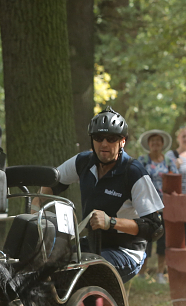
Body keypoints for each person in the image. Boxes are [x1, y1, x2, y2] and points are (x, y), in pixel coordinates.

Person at [39, 107, 164, 283]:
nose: (104, 144)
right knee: (47, 263)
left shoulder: (134, 172)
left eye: (111, 139)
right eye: (98, 138)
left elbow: (155, 228)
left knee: (84, 271)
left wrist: (111, 222)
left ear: (122, 141)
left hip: (126, 252)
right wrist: (37, 210)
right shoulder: (83, 162)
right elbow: (52, 183)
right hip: (92, 244)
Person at [137, 129, 178, 284]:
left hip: (165, 207)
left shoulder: (169, 162)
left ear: (162, 144)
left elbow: (175, 181)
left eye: (158, 141)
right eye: (152, 141)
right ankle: (142, 272)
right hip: (146, 206)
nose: (155, 144)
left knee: (163, 241)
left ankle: (161, 273)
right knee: (145, 239)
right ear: (148, 144)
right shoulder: (142, 161)